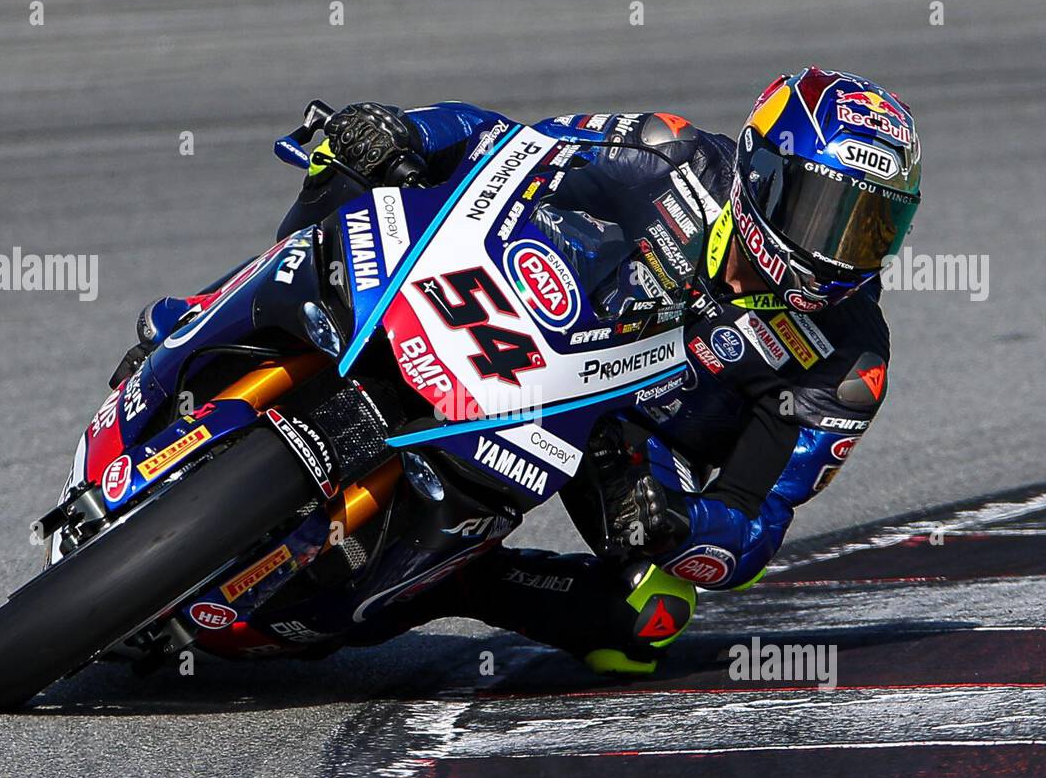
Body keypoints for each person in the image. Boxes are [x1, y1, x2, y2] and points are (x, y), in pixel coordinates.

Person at [144, 67, 923, 675]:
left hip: (620, 445)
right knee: (356, 161)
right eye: (827, 212)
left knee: (645, 617)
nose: (840, 248)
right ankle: (215, 308)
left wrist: (683, 525)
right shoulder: (666, 151)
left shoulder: (847, 362)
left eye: (871, 228)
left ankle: (447, 579)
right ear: (760, 174)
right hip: (521, 306)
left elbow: (755, 522)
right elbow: (501, 143)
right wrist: (403, 131)